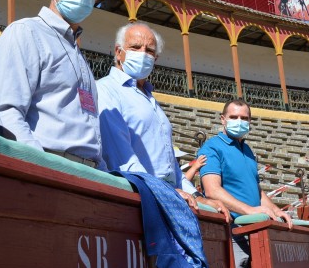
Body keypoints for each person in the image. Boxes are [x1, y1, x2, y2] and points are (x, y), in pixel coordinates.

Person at [97, 22, 230, 217]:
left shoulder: (150, 99)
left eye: (149, 50)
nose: (142, 53)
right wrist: (164, 191)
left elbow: (170, 164)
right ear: (118, 52)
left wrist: (196, 195)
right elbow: (120, 158)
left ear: (155, 59)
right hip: (138, 198)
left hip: (164, 197)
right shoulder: (106, 90)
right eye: (135, 47)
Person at [0, 0, 105, 170]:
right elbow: (7, 113)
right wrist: (40, 166)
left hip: (89, 171)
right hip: (51, 165)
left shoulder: (78, 54)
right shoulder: (26, 32)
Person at [198, 99, 292, 268]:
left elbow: (256, 190)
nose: (239, 121)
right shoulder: (211, 147)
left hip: (257, 230)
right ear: (222, 119)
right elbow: (212, 190)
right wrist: (250, 210)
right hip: (232, 232)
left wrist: (275, 210)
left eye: (244, 118)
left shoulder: (247, 150)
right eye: (233, 117)